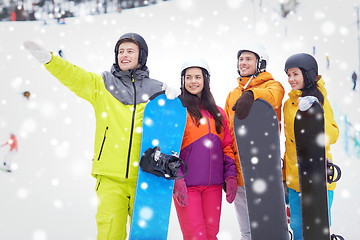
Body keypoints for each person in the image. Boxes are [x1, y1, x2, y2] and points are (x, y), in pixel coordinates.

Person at [24, 33, 180, 240]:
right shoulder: (103, 84)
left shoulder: (158, 90)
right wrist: (50, 60)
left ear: (141, 56)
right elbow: (74, 76)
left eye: (130, 51)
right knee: (109, 235)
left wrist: (177, 99)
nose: (124, 55)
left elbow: (178, 126)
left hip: (146, 179)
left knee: (146, 236)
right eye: (120, 51)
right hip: (109, 179)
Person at [224, 43, 285, 240]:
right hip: (241, 175)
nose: (243, 62)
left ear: (261, 63)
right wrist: (229, 171)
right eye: (241, 59)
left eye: (248, 59)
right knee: (247, 232)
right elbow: (227, 133)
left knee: (267, 231)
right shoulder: (233, 95)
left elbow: (274, 97)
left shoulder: (272, 86)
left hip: (263, 176)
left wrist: (252, 94)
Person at [173, 58, 237, 240]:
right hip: (188, 187)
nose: (193, 81)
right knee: (195, 236)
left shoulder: (218, 112)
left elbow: (227, 147)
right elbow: (171, 150)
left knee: (211, 235)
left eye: (198, 77)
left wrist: (230, 175)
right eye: (189, 77)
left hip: (213, 187)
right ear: (183, 81)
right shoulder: (178, 111)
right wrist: (177, 180)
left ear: (205, 80)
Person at [283, 53, 339, 240]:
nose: (291, 79)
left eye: (295, 74)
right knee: (297, 229)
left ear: (308, 74)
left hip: (317, 178)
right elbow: (288, 142)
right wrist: (285, 177)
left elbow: (333, 133)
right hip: (295, 178)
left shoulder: (320, 99)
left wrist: (316, 117)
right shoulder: (288, 104)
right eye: (288, 75)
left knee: (317, 230)